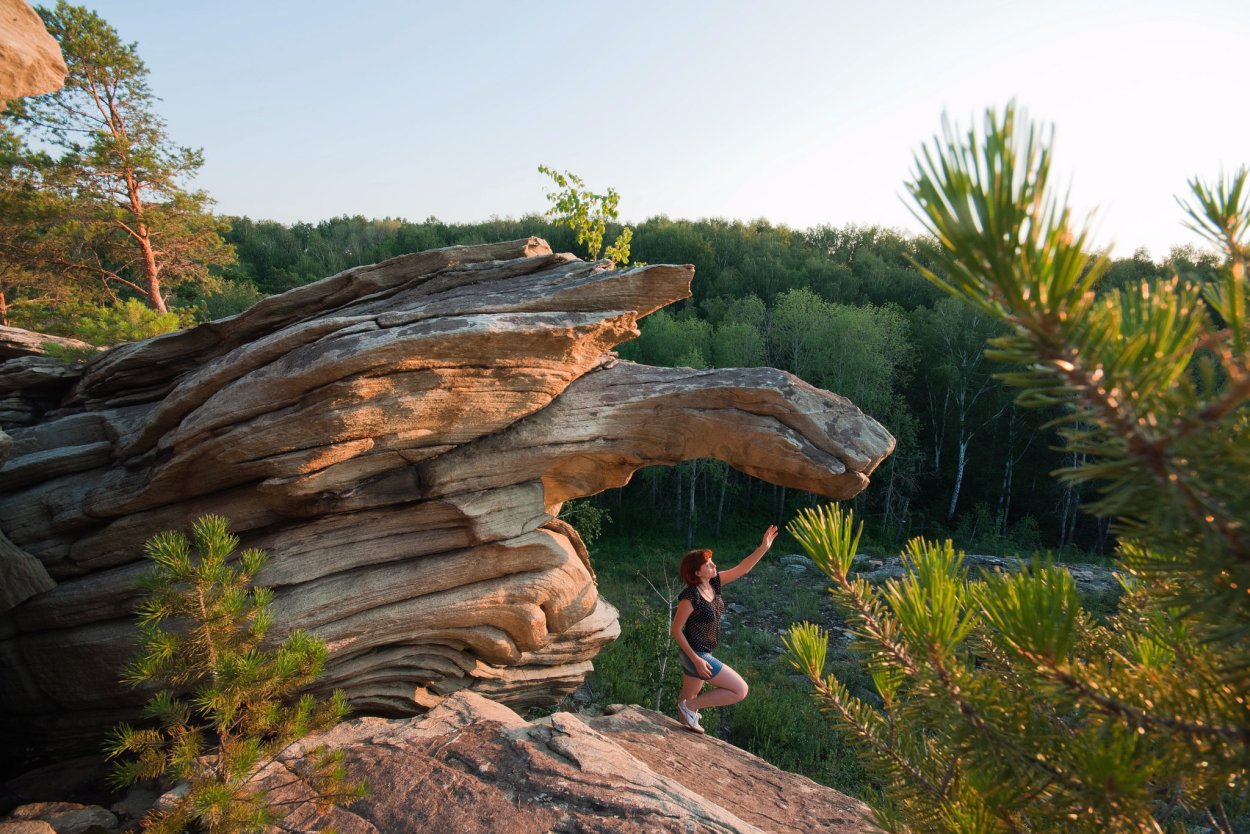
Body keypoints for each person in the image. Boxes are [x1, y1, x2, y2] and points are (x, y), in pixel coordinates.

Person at [670, 524, 779, 734]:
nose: (714, 566)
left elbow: (743, 568)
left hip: (702, 653)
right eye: (708, 564)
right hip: (695, 654)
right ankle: (691, 708)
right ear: (696, 572)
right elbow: (676, 630)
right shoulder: (690, 596)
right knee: (740, 690)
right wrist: (697, 660)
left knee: (684, 710)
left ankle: (682, 726)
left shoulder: (714, 584)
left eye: (712, 562)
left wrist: (763, 547)